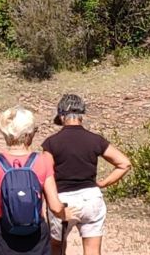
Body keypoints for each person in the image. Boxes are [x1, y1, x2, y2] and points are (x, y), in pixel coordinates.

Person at [0, 106, 73, 255]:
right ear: (29, 134)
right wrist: (65, 214)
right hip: (36, 234)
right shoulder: (43, 161)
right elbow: (55, 207)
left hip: (4, 234)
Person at [41, 94, 132, 255]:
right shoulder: (95, 140)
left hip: (63, 200)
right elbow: (124, 164)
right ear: (82, 116)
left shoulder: (51, 142)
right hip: (91, 198)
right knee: (92, 250)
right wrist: (102, 184)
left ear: (62, 116)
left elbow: (45, 174)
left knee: (56, 248)